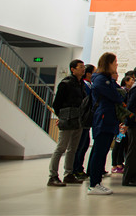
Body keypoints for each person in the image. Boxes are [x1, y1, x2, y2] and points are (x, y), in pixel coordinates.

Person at [87, 52, 124, 195]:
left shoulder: (107, 79)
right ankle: (94, 184)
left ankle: (97, 182)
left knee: (102, 152)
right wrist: (116, 92)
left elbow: (120, 95)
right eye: (115, 62)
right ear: (108, 63)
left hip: (109, 118)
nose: (116, 65)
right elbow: (116, 96)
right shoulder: (101, 79)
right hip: (103, 118)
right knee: (99, 152)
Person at [48, 59, 86, 187]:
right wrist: (62, 116)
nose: (83, 69)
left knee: (73, 149)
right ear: (73, 69)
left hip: (78, 119)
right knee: (61, 147)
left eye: (83, 67)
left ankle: (68, 174)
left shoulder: (81, 84)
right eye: (80, 67)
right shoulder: (66, 83)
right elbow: (56, 104)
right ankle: (53, 176)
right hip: (68, 119)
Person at [72, 64, 94, 180]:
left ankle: (79, 168)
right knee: (79, 145)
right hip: (83, 118)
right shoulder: (84, 85)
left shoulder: (89, 85)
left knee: (84, 144)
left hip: (87, 119)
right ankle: (75, 169)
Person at [110, 73, 134, 174]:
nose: (133, 82)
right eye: (131, 80)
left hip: (124, 121)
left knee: (123, 143)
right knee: (118, 142)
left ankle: (120, 163)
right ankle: (115, 164)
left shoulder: (127, 91)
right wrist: (122, 120)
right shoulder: (122, 91)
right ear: (126, 81)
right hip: (121, 122)